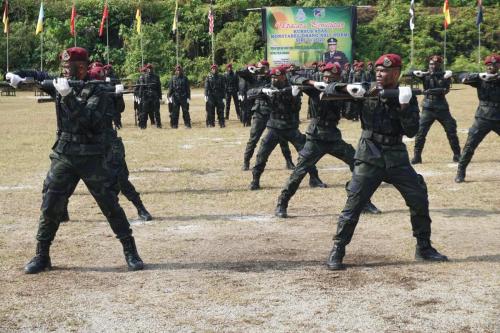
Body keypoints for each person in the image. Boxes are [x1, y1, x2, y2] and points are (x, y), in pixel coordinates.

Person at [6, 47, 144, 273]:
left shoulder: (99, 90)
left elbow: (89, 121)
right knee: (50, 204)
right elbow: (40, 77)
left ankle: (130, 251)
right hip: (65, 154)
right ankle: (42, 255)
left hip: (93, 156)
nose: (66, 73)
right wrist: (18, 75)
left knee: (110, 205)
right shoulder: (62, 82)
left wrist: (68, 96)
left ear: (83, 67)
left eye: (71, 68)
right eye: (64, 68)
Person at [325, 53, 448, 271]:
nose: (380, 74)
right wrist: (350, 92)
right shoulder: (367, 88)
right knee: (354, 203)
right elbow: (329, 91)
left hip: (396, 156)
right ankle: (338, 249)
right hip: (369, 155)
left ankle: (424, 247)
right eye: (379, 70)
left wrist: (403, 106)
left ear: (397, 73)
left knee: (418, 197)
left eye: (386, 71)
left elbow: (411, 131)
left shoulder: (406, 95)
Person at [275, 62, 380, 218]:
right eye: (325, 77)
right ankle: (282, 204)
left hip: (333, 137)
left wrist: (360, 96)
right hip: (315, 138)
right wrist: (314, 83)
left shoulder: (344, 89)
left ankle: (363, 202)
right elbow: (294, 77)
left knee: (358, 164)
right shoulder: (316, 89)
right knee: (299, 172)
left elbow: (362, 98)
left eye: (332, 78)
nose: (328, 80)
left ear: (339, 78)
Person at [248, 66, 326, 190]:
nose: (273, 79)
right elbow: (249, 94)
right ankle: (255, 180)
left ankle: (314, 179)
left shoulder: (293, 88)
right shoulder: (269, 87)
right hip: (274, 127)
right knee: (262, 153)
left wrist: (294, 96)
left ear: (283, 77)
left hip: (290, 128)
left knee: (307, 153)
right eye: (272, 77)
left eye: (276, 77)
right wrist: (262, 91)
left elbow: (296, 109)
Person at [237, 61, 295, 171]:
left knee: (282, 138)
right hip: (260, 112)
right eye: (259, 68)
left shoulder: (273, 77)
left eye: (264, 68)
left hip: (274, 111)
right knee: (253, 139)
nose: (262, 70)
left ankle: (289, 161)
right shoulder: (254, 77)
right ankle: (246, 161)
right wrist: (250, 68)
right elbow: (241, 75)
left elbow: (286, 82)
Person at [455, 54, 500, 183]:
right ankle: (460, 172)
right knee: (470, 145)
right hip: (483, 117)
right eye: (489, 65)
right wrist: (479, 76)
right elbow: (461, 76)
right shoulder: (481, 79)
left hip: (498, 116)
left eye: (495, 65)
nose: (492, 67)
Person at [411, 55, 460, 164]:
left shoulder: (444, 76)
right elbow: (410, 73)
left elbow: (445, 90)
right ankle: (417, 156)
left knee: (451, 130)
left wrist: (448, 75)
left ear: (439, 65)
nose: (432, 66)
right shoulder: (425, 75)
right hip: (428, 107)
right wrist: (417, 73)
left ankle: (457, 155)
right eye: (431, 64)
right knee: (420, 132)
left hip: (441, 106)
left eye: (435, 64)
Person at [135, 64, 162, 129]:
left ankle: (158, 125)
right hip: (146, 96)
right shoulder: (143, 77)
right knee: (144, 111)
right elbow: (141, 87)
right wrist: (140, 96)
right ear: (146, 69)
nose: (149, 70)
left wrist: (160, 96)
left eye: (150, 68)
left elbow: (159, 87)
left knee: (156, 111)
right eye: (148, 68)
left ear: (152, 69)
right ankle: (143, 125)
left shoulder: (156, 77)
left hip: (154, 96)